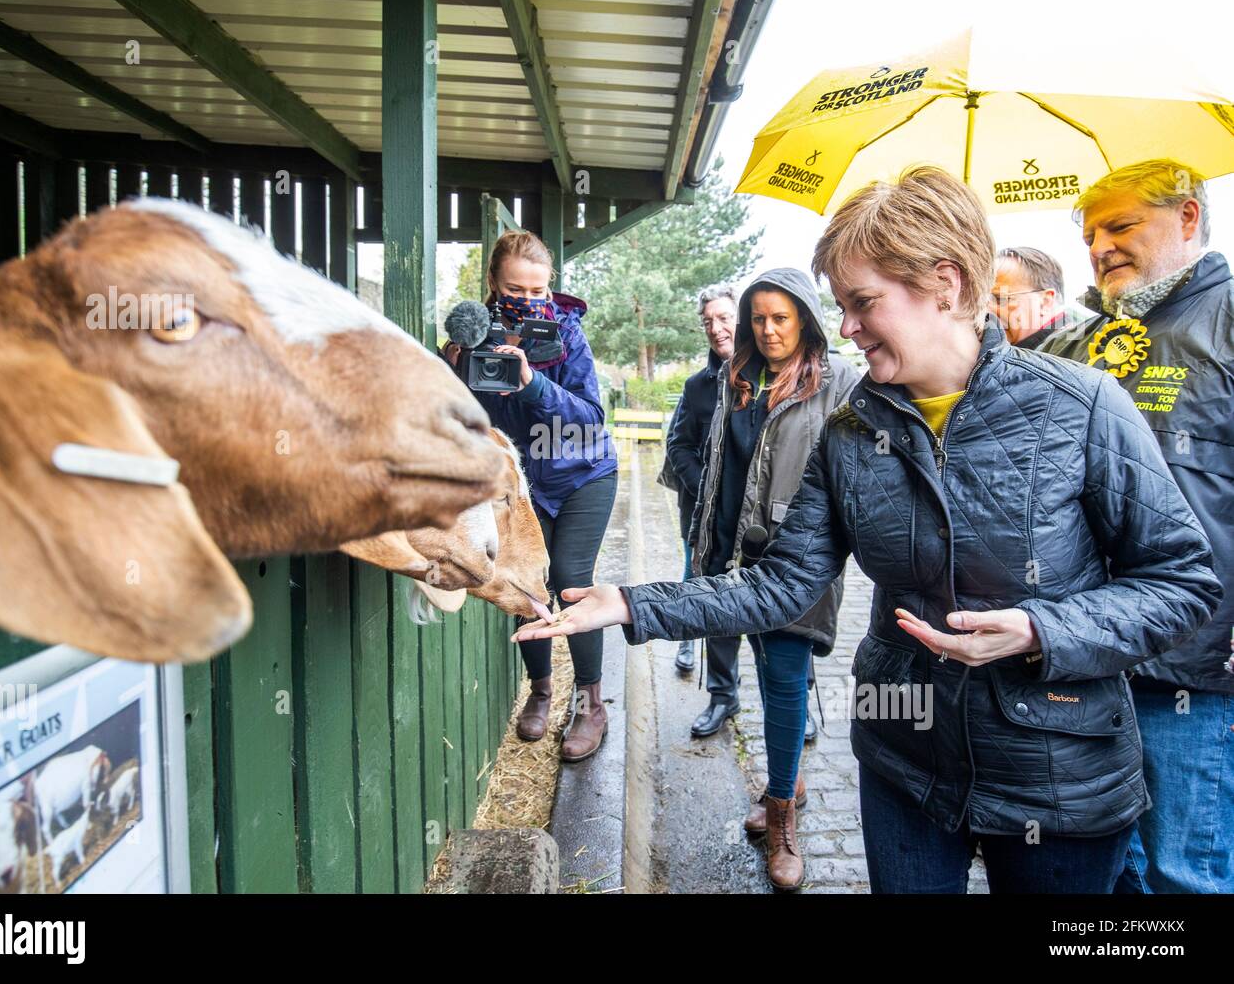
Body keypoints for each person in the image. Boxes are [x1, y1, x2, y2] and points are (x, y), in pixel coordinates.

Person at [512, 167, 1221, 894]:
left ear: (944, 283)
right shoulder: (852, 432)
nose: (845, 326)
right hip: (905, 762)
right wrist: (632, 603)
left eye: (862, 303)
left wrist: (1042, 630)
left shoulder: (1084, 406)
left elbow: (1182, 582)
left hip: (1058, 775)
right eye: (841, 306)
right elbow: (782, 582)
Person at [1039, 159, 1234, 893]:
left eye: (1121, 225)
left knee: (1185, 870)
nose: (1100, 247)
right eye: (1090, 233)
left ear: (1187, 218)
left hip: (1194, 667)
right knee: (1105, 872)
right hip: (1084, 653)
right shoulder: (1079, 341)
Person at [685, 268, 858, 864]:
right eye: (758, 318)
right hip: (734, 553)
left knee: (785, 682)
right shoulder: (738, 377)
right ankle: (789, 779)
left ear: (805, 319)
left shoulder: (836, 382)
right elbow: (717, 465)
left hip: (795, 561)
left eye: (780, 318)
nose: (767, 329)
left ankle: (782, 816)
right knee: (762, 671)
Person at [444, 230, 618, 763]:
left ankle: (590, 704)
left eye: (539, 290)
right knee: (529, 582)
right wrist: (454, 365)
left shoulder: (566, 334)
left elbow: (591, 418)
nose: (529, 299)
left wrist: (534, 385)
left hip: (584, 475)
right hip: (523, 487)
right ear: (494, 282)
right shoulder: (473, 337)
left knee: (570, 581)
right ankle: (541, 691)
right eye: (517, 288)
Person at [665, 286, 740, 717]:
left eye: (725, 317)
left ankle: (794, 706)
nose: (717, 328)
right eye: (708, 321)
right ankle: (722, 696)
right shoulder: (697, 387)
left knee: (780, 616)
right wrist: (706, 489)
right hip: (707, 516)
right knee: (714, 598)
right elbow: (679, 445)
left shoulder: (772, 376)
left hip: (760, 519)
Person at [989, 246, 1075, 348]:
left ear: (1045, 302)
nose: (987, 310)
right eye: (982, 301)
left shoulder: (1062, 356)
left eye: (1000, 299)